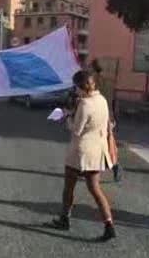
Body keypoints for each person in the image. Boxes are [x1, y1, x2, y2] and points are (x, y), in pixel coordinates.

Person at [46, 70, 117, 241]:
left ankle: (64, 219)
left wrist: (66, 118)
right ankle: (109, 225)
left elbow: (76, 129)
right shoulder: (102, 100)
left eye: (76, 87)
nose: (75, 90)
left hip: (80, 152)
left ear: (81, 86)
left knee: (68, 187)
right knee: (95, 189)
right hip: (97, 151)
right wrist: (73, 112)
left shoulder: (85, 104)